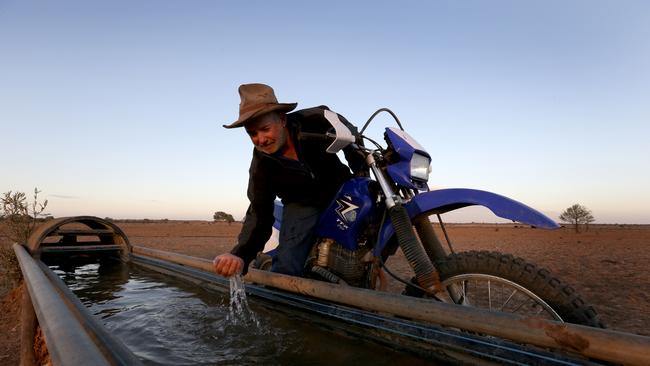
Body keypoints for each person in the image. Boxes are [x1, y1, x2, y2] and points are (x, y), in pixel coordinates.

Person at [213, 83, 365, 278]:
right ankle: (284, 301)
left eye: (265, 129)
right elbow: (259, 213)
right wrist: (240, 255)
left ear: (282, 119)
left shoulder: (316, 120)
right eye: (252, 133)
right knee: (288, 263)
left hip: (343, 188)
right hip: (302, 205)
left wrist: (361, 170)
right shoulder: (261, 165)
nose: (260, 139)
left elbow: (351, 136)